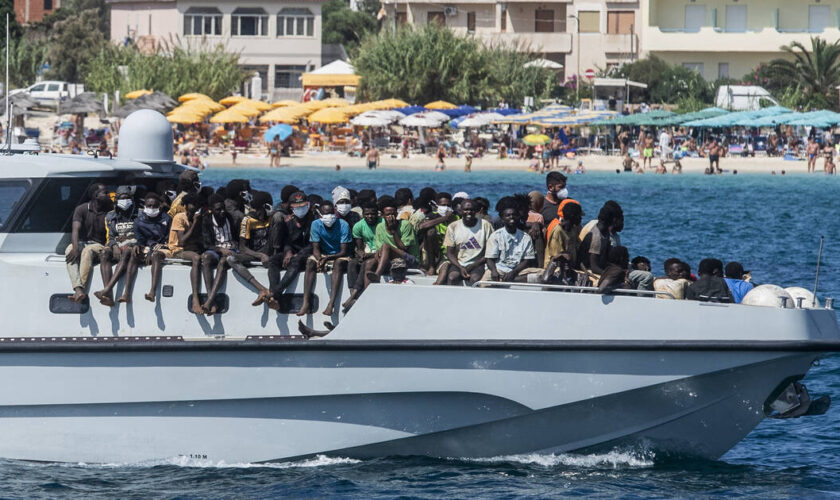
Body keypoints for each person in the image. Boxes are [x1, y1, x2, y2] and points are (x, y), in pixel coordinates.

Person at [298, 200, 352, 316]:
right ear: (320, 214)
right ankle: (306, 302)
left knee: (338, 264)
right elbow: (316, 248)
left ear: (334, 212)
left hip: (339, 255)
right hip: (324, 254)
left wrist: (327, 258)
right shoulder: (315, 224)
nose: (328, 216)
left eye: (331, 213)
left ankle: (331, 303)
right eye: (325, 213)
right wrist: (319, 259)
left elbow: (343, 251)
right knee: (310, 263)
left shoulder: (343, 225)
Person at [65, 183, 111, 303]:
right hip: (84, 242)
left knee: (87, 251)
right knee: (69, 249)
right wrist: (75, 248)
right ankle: (78, 288)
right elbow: (75, 230)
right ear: (96, 196)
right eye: (105, 193)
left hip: (100, 245)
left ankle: (81, 290)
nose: (108, 194)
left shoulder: (110, 210)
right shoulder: (82, 209)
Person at [93, 185, 138, 306]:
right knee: (104, 254)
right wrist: (114, 246)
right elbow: (111, 235)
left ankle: (106, 290)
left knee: (128, 252)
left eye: (127, 197)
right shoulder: (110, 216)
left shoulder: (139, 214)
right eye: (122, 198)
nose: (125, 200)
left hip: (133, 246)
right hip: (117, 245)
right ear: (117, 200)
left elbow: (142, 233)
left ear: (132, 199)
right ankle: (108, 296)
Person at [229, 191, 275, 307]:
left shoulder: (273, 218)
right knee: (230, 259)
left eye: (259, 210)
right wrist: (260, 255)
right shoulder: (247, 220)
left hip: (270, 252)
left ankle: (274, 296)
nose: (257, 213)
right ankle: (261, 289)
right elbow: (243, 248)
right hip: (254, 253)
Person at [268, 191, 314, 304]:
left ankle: (275, 293)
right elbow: (287, 241)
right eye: (296, 207)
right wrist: (288, 252)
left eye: (303, 206)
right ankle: (273, 290)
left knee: (296, 262)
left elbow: (313, 244)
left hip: (307, 253)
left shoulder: (314, 221)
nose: (300, 209)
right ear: (291, 208)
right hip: (292, 252)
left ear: (307, 205)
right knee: (273, 260)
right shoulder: (288, 221)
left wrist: (298, 254)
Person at [438, 199, 494, 286]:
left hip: (478, 263)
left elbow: (489, 252)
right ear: (461, 211)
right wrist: (460, 267)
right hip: (459, 263)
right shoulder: (453, 227)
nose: (469, 212)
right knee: (452, 277)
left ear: (476, 211)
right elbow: (450, 253)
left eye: (471, 210)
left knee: (474, 279)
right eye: (466, 210)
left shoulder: (486, 225)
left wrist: (473, 265)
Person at [368, 196, 422, 283]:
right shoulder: (380, 227)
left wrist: (393, 231)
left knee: (386, 246)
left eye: (393, 214)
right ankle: (364, 291)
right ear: (382, 215)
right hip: (390, 259)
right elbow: (379, 249)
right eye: (388, 215)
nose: (391, 217)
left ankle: (377, 274)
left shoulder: (405, 225)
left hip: (409, 259)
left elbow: (405, 249)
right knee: (368, 264)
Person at [167, 193, 206, 314]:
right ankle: (195, 298)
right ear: (186, 205)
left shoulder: (199, 218)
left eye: (196, 205)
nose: (194, 207)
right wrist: (194, 223)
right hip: (177, 250)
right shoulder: (179, 217)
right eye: (192, 204)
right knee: (196, 258)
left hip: (193, 248)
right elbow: (182, 241)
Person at [483, 197, 538, 283]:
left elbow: (527, 260)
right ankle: (506, 280)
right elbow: (489, 259)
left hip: (518, 271)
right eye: (507, 215)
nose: (511, 217)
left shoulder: (526, 237)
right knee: (485, 281)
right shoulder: (495, 236)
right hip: (499, 268)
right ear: (502, 218)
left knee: (541, 275)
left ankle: (507, 280)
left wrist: (513, 273)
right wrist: (494, 271)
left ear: (518, 217)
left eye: (514, 215)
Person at [200, 194, 238, 315]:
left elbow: (237, 238)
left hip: (231, 248)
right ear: (211, 209)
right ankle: (212, 301)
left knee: (223, 262)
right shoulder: (206, 220)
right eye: (218, 209)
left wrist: (231, 249)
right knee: (206, 259)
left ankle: (209, 301)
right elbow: (206, 244)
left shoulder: (230, 218)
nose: (222, 211)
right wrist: (220, 250)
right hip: (215, 249)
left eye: (223, 208)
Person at [341, 200, 381, 311]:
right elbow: (359, 248)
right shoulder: (358, 226)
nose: (370, 216)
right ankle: (352, 294)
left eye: (373, 214)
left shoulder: (382, 223)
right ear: (363, 214)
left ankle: (354, 295)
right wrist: (361, 253)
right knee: (352, 263)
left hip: (379, 254)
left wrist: (370, 254)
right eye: (367, 214)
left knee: (365, 264)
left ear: (377, 214)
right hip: (367, 253)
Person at [133, 193, 173, 302]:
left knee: (156, 255)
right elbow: (140, 239)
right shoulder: (138, 221)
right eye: (149, 206)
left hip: (164, 247)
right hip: (147, 247)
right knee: (132, 254)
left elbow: (169, 238)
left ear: (159, 206)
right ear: (144, 206)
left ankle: (152, 291)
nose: (151, 208)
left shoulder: (167, 219)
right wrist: (139, 246)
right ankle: (127, 292)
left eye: (154, 206)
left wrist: (153, 250)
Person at [579, 201, 623, 280]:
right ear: (613, 219)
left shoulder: (605, 233)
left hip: (600, 267)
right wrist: (611, 274)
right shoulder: (596, 236)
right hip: (588, 270)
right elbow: (594, 267)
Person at [543, 200, 582, 283]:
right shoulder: (558, 231)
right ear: (573, 217)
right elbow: (558, 257)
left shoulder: (573, 229)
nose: (581, 219)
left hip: (570, 266)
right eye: (579, 216)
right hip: (557, 268)